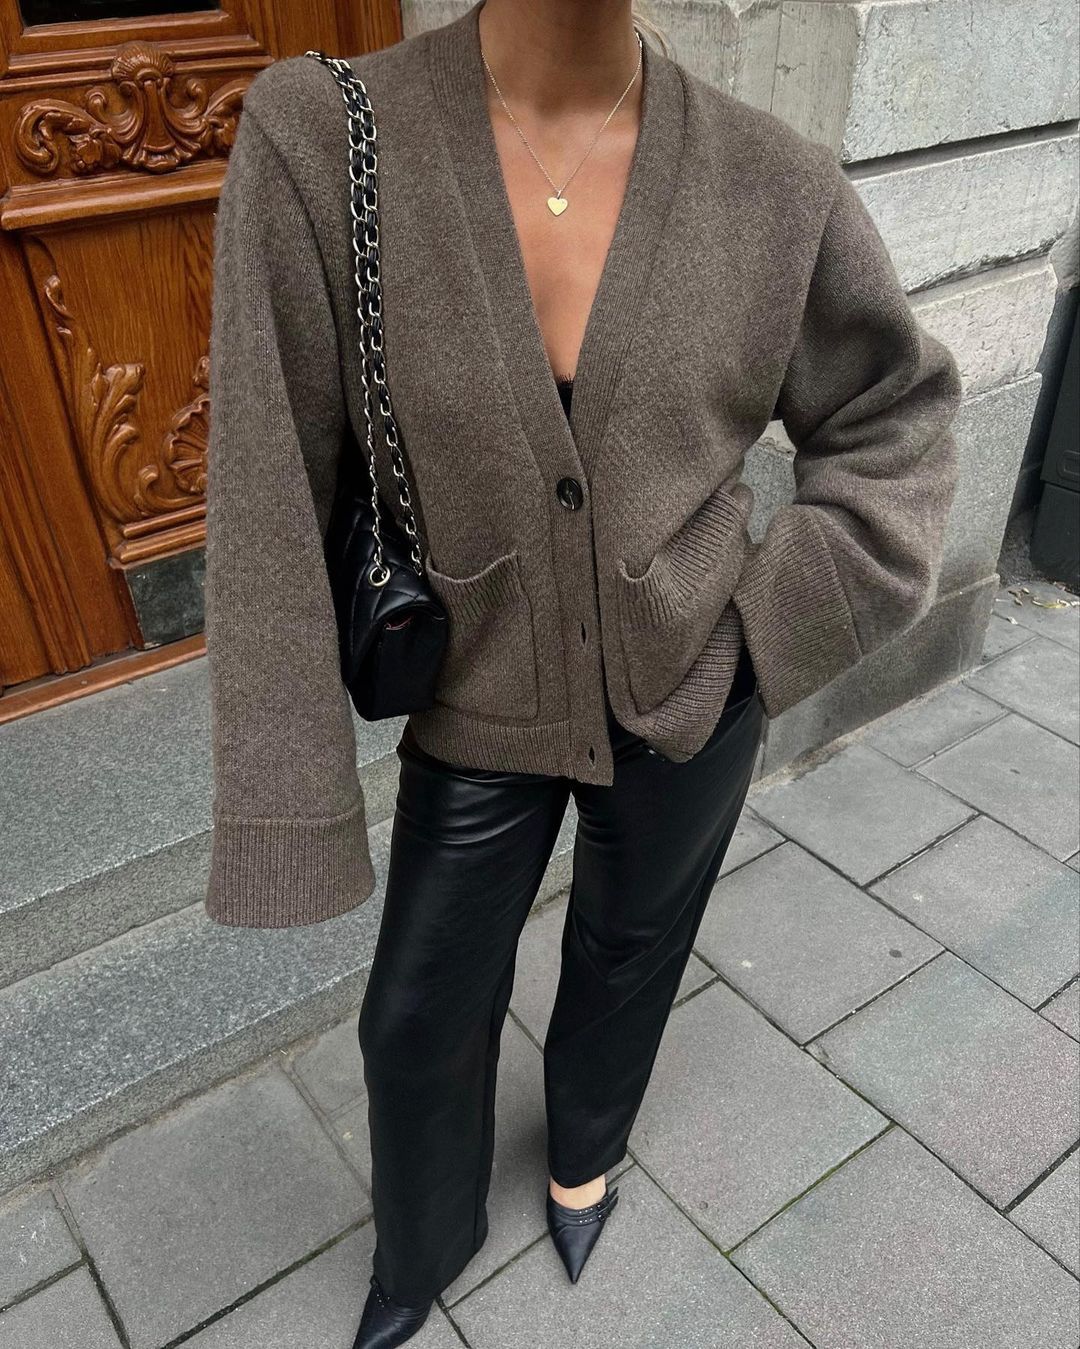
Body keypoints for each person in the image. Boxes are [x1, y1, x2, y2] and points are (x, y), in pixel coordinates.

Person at [202, 2, 964, 1344]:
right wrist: (287, 794)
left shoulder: (774, 182)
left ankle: (585, 1155)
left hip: (694, 684)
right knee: (415, 1014)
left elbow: (894, 419)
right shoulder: (324, 139)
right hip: (479, 700)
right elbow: (268, 484)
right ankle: (422, 1243)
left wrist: (766, 627)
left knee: (631, 947)